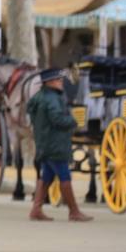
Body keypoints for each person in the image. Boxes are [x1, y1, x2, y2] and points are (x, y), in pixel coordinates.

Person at [26, 67, 93, 222]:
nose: (61, 81)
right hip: (55, 144)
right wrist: (73, 121)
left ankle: (36, 210)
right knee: (64, 176)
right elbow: (57, 119)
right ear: (49, 82)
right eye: (58, 79)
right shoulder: (52, 99)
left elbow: (33, 111)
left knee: (47, 176)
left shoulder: (40, 96)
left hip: (44, 143)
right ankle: (74, 211)